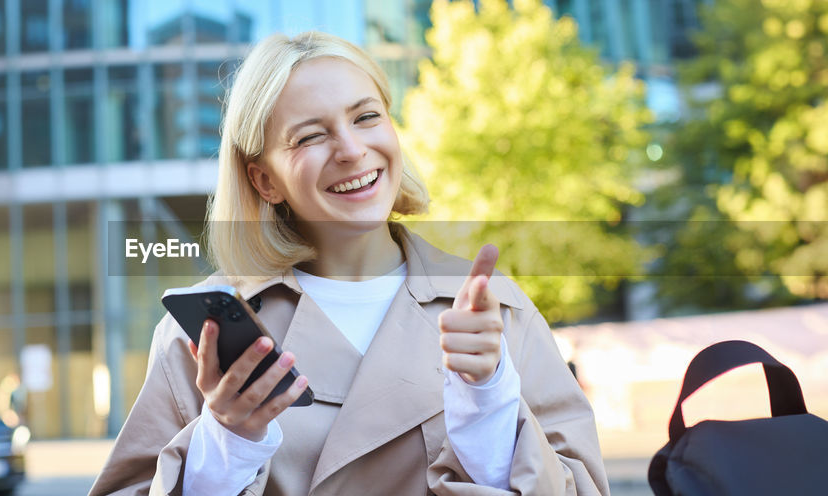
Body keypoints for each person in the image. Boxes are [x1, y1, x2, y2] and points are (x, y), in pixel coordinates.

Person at [89, 31, 607, 495]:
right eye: (310, 136)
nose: (352, 149)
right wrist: (224, 445)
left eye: (366, 117)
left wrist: (489, 402)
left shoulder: (499, 311)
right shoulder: (203, 335)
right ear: (263, 181)